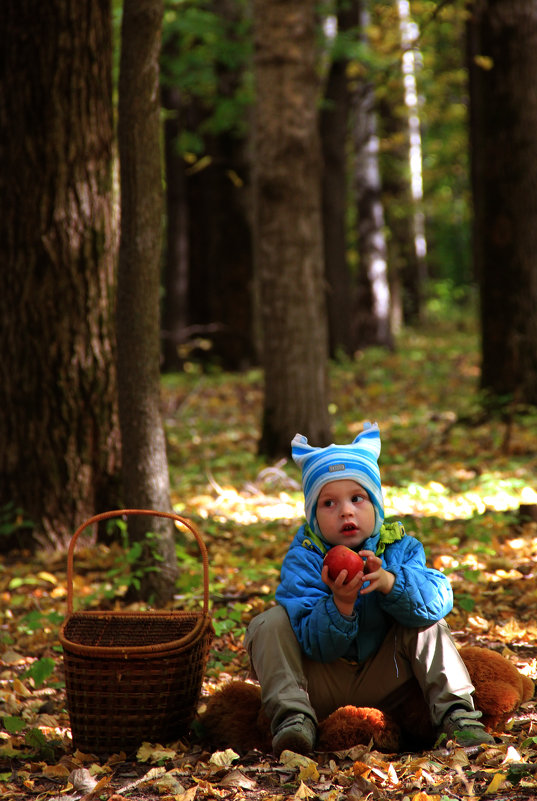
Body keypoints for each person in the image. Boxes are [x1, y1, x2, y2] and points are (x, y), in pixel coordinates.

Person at [245, 421, 495, 756]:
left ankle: (457, 716)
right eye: (329, 503)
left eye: (357, 498)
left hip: (389, 678)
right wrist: (340, 605)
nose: (346, 510)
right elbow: (316, 645)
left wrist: (392, 584)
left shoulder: (399, 548)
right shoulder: (304, 559)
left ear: (376, 506)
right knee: (269, 623)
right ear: (313, 517)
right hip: (321, 683)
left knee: (427, 623)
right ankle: (293, 721)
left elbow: (438, 599)